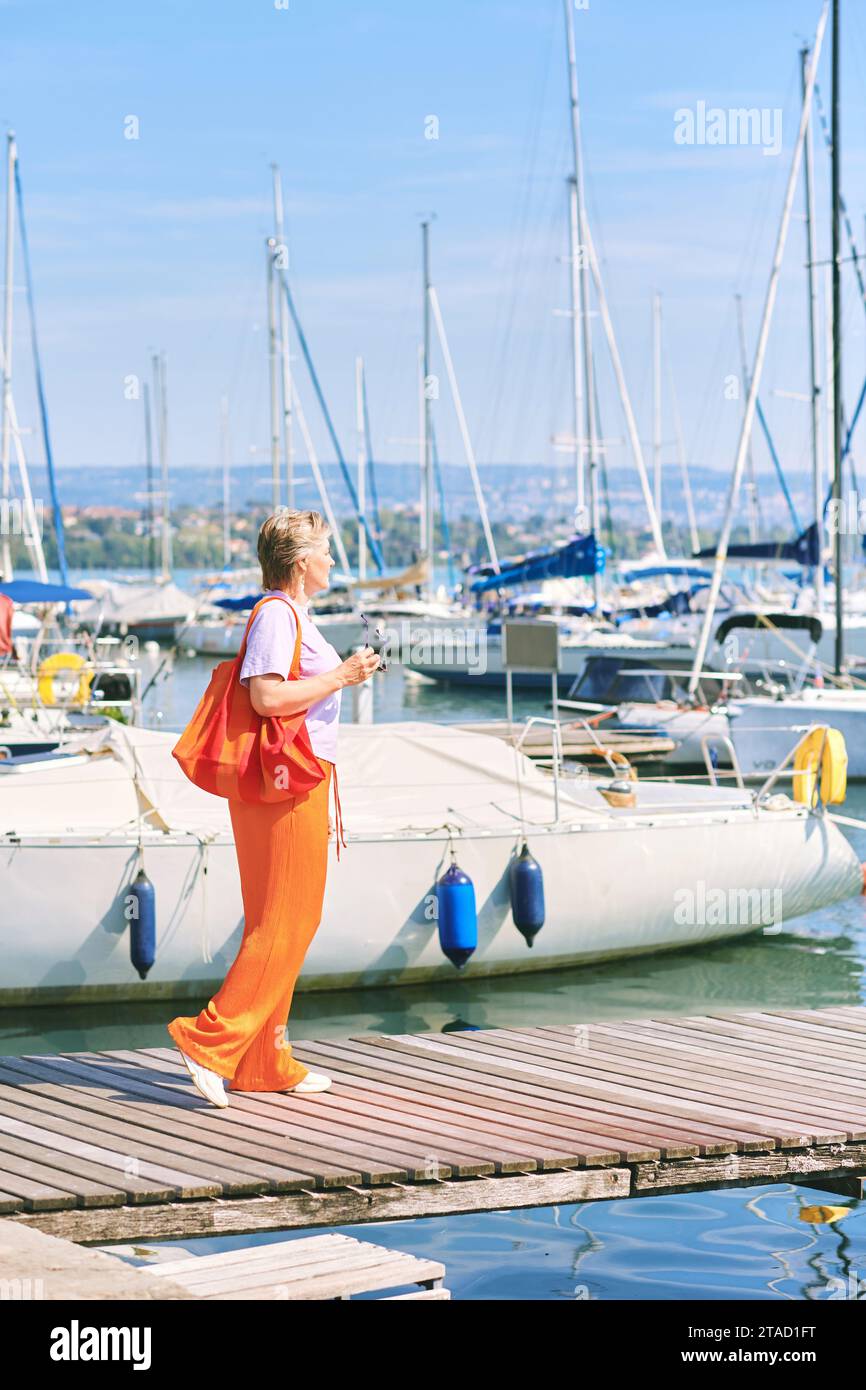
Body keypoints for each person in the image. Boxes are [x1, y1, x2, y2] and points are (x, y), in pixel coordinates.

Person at [166, 509, 378, 1107]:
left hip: (300, 778)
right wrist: (340, 676)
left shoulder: (294, 616)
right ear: (300, 561)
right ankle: (208, 1041)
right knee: (288, 918)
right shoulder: (276, 616)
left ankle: (265, 1059)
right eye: (326, 551)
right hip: (285, 784)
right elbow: (264, 697)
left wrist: (344, 675)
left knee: (282, 917)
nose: (333, 561)